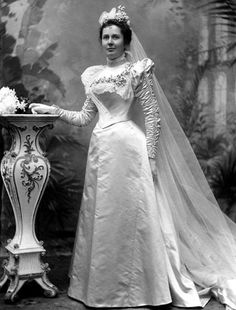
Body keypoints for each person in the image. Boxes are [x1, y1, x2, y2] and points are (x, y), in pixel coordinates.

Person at [30, 6, 236, 310]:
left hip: (130, 150)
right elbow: (86, 117)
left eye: (115, 37)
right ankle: (101, 286)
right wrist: (55, 111)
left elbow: (153, 116)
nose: (110, 42)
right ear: (101, 40)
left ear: (126, 41)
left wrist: (151, 157)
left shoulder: (137, 70)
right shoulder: (95, 75)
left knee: (133, 216)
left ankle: (139, 287)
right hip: (102, 150)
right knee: (103, 216)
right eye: (106, 37)